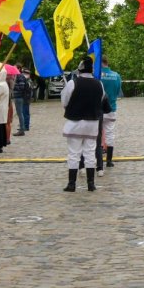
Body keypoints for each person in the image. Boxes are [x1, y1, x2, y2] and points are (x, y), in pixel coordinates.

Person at [61, 55, 106, 192]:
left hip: (75, 122)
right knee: (90, 153)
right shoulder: (99, 84)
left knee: (74, 154)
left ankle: (72, 184)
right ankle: (91, 184)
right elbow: (101, 100)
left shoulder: (72, 83)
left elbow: (65, 102)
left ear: (79, 70)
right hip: (92, 123)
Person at [99, 63, 122, 167]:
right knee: (110, 133)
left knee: (97, 134)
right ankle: (109, 160)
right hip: (111, 108)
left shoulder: (98, 75)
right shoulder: (116, 75)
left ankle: (98, 161)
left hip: (98, 109)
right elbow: (118, 92)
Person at [12, 66, 33, 136]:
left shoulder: (20, 76)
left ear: (19, 69)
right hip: (19, 97)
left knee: (21, 113)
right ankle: (22, 127)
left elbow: (21, 87)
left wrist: (13, 86)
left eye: (15, 68)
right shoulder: (19, 76)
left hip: (20, 97)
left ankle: (22, 128)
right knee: (21, 113)